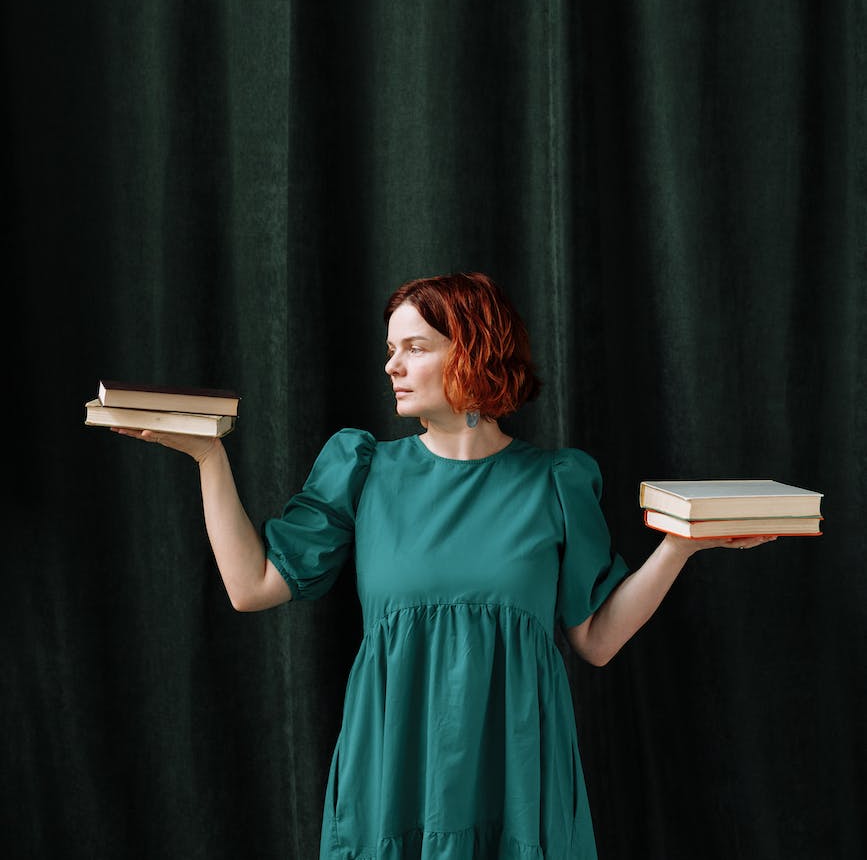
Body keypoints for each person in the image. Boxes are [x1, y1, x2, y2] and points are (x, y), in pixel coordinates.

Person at [112, 271, 775, 860]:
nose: (391, 366)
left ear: (474, 353)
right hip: (392, 773)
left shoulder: (554, 482)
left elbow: (596, 641)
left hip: (515, 779)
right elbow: (250, 587)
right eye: (391, 349)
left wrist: (678, 546)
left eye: (414, 348)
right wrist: (208, 458)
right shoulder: (364, 469)